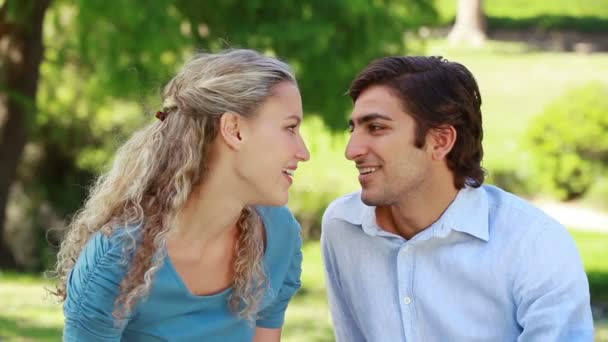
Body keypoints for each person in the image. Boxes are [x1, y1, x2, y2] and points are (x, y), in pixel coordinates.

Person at [321, 56, 594, 341]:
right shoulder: (344, 226)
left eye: (376, 127)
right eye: (353, 128)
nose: (352, 150)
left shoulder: (534, 244)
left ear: (440, 141)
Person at [50, 49, 310, 341]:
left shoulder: (278, 235)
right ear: (234, 130)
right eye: (290, 128)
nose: (303, 152)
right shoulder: (117, 257)